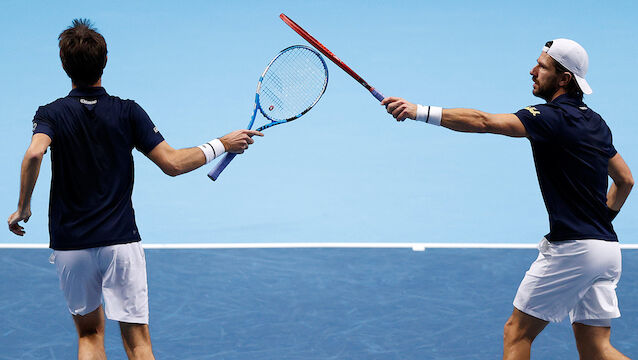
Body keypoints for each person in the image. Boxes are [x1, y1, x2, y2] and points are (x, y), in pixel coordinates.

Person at [7, 19, 262, 360]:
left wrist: (23, 207)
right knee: (138, 342)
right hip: (121, 243)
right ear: (105, 61)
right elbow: (172, 163)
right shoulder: (127, 112)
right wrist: (222, 143)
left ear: (64, 65)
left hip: (71, 245)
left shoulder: (51, 113)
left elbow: (35, 152)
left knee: (89, 335)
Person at [382, 39, 633, 359]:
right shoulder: (596, 122)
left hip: (574, 249)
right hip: (608, 250)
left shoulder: (549, 118)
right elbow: (625, 180)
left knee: (517, 333)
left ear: (563, 79)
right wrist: (600, 221)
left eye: (542, 66)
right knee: (597, 349)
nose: (533, 71)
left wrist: (419, 111)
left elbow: (484, 122)